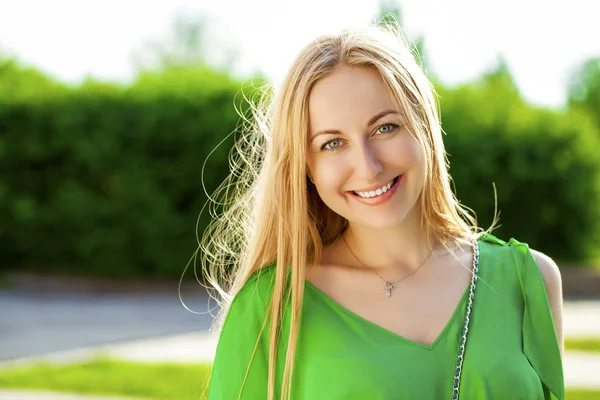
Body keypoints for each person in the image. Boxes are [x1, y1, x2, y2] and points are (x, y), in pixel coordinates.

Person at [201, 23, 564, 400]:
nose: (368, 166)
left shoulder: (529, 280)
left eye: (385, 128)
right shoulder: (272, 305)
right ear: (305, 167)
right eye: (332, 143)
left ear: (424, 125)